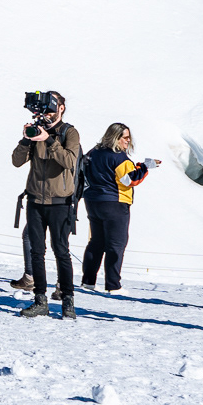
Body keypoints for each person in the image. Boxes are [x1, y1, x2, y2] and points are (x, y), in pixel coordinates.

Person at [11, 92, 82, 318]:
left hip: (60, 202)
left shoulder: (69, 132)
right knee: (36, 252)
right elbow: (16, 161)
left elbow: (70, 161)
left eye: (51, 110)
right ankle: (40, 300)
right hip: (35, 201)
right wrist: (26, 139)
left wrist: (49, 140)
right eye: (45, 111)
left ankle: (68, 302)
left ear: (61, 108)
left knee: (61, 251)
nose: (47, 116)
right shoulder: (37, 130)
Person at [79, 123, 154, 293]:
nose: (128, 141)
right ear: (115, 138)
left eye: (129, 137)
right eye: (125, 137)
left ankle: (88, 281)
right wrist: (145, 167)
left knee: (96, 242)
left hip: (92, 201)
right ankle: (113, 285)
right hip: (115, 202)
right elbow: (130, 180)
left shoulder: (94, 152)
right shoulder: (119, 157)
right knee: (116, 244)